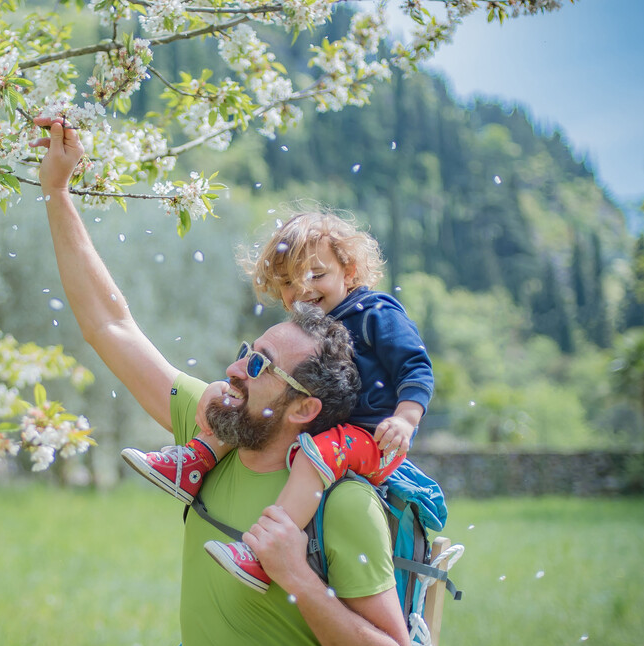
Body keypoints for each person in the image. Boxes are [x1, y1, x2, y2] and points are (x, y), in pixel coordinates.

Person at [33, 116, 412, 646]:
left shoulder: (342, 507)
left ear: (303, 408)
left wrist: (296, 575)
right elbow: (110, 326)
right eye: (245, 354)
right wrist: (56, 190)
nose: (234, 371)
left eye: (259, 367)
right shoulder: (217, 435)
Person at [123, 210, 435, 592]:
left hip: (371, 437)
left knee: (312, 454)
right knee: (247, 404)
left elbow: (416, 366)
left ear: (349, 271)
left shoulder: (375, 314)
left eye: (317, 275)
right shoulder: (309, 330)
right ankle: (193, 463)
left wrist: (405, 418)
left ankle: (261, 556)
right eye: (289, 281)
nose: (303, 289)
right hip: (326, 422)